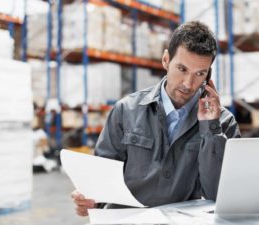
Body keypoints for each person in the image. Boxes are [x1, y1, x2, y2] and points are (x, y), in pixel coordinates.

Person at [71, 21, 241, 216]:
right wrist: (91, 201)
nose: (188, 84)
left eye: (200, 74)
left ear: (209, 74)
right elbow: (101, 182)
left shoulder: (223, 123)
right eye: (182, 69)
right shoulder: (126, 111)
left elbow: (219, 194)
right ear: (166, 60)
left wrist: (211, 128)